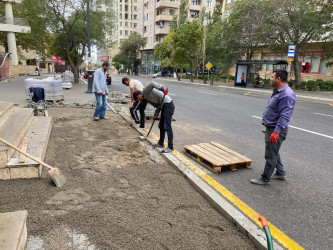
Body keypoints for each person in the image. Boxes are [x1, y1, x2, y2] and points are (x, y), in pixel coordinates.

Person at [251, 69, 296, 185]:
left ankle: (265, 178)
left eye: (272, 76)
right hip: (271, 127)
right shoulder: (278, 91)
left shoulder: (286, 94)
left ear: (278, 79)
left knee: (270, 154)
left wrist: (276, 132)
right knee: (274, 151)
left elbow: (285, 115)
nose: (270, 78)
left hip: (275, 129)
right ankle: (280, 172)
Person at [133, 81, 175, 153]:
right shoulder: (146, 98)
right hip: (164, 106)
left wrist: (162, 89)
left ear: (138, 96)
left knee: (167, 127)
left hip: (168, 105)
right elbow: (159, 104)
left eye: (138, 99)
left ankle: (170, 147)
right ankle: (161, 143)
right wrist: (156, 113)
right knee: (161, 126)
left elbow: (152, 83)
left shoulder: (145, 92)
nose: (139, 101)